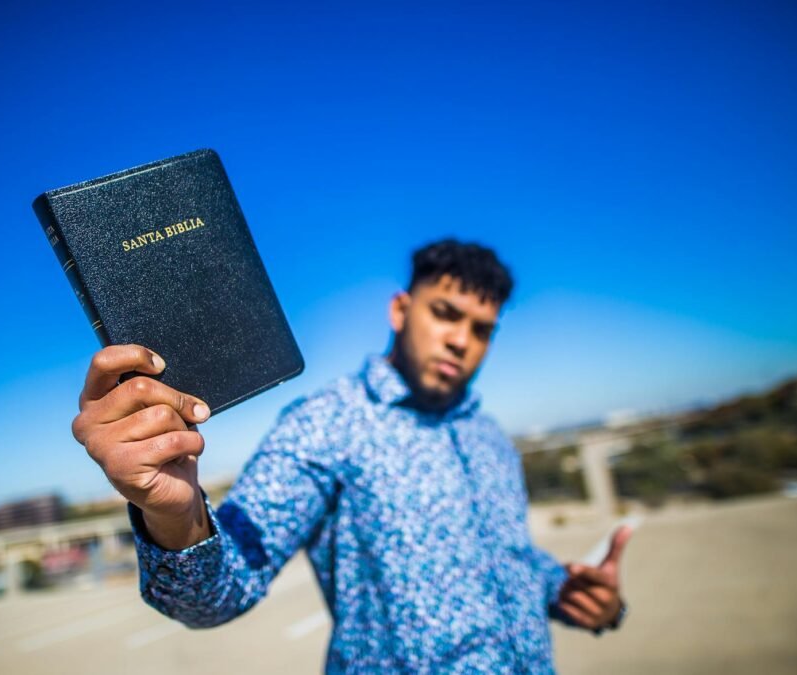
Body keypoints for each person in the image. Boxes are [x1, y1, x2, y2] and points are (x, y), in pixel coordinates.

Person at [71, 239, 630, 672]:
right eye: (446, 314)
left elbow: (501, 556)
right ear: (400, 310)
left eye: (481, 329)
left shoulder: (489, 437)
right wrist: (176, 515)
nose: (462, 340)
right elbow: (216, 593)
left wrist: (565, 591)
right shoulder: (328, 424)